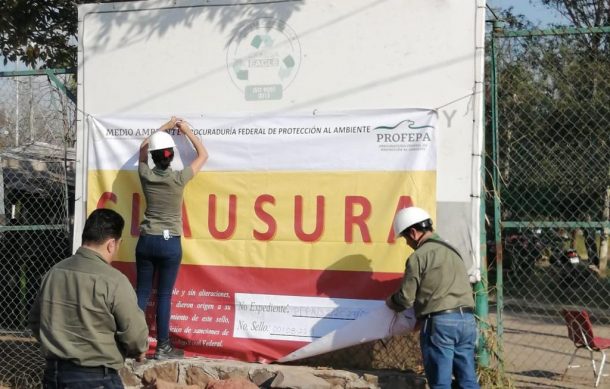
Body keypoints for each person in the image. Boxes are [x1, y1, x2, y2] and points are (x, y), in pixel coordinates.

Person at [28, 208, 148, 389]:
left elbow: (36, 321)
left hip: (54, 376)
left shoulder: (53, 273)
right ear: (111, 244)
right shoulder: (114, 280)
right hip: (97, 378)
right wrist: (138, 351)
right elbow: (135, 337)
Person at [136, 116, 208, 359]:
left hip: (146, 241)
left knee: (142, 294)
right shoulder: (179, 178)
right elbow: (203, 155)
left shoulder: (145, 174)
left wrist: (165, 127)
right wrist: (185, 130)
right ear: (172, 156)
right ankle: (163, 347)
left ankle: (133, 345)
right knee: (164, 296)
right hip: (169, 245)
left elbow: (143, 148)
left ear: (156, 157)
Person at [386, 207, 479, 389]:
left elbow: (405, 299)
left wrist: (390, 302)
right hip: (467, 321)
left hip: (440, 324)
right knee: (467, 380)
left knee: (440, 383)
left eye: (405, 238)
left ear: (413, 232)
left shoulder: (419, 256)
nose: (407, 243)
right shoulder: (453, 250)